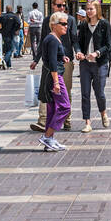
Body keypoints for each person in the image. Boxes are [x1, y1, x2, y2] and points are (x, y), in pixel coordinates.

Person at [31, 12, 71, 151]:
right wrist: (56, 82)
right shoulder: (53, 40)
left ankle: (50, 141)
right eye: (63, 24)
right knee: (65, 107)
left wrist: (63, 58)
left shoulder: (52, 39)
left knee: (52, 109)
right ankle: (47, 137)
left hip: (50, 75)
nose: (67, 26)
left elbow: (51, 57)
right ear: (54, 25)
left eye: (67, 23)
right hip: (54, 76)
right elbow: (52, 62)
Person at [76, 0, 111, 131]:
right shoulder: (84, 25)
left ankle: (103, 113)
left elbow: (108, 45)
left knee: (99, 93)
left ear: (97, 10)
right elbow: (78, 42)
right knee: (85, 93)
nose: (89, 11)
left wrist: (97, 53)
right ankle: (87, 123)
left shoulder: (104, 24)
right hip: (85, 64)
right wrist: (79, 52)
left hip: (100, 63)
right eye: (87, 9)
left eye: (91, 9)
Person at [0, 5, 20, 69]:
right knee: (10, 49)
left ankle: (9, 65)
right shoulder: (14, 16)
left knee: (7, 49)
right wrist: (14, 29)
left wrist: (0, 30)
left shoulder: (3, 16)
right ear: (11, 9)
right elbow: (19, 23)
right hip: (11, 34)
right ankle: (5, 61)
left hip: (4, 34)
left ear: (6, 10)